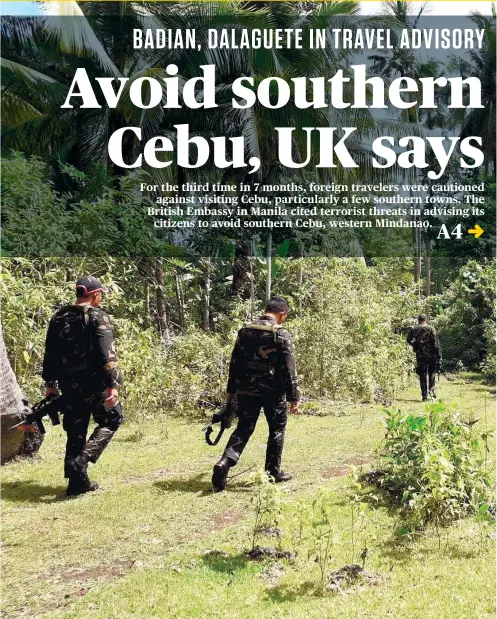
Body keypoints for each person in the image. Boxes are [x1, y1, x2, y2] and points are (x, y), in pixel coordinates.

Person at [42, 276, 123, 496]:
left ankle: (77, 483)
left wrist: (50, 384)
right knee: (113, 419)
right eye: (101, 294)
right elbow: (106, 354)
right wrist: (113, 384)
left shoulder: (59, 317)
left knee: (76, 431)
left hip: (69, 384)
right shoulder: (97, 316)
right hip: (94, 384)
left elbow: (50, 352)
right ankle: (81, 460)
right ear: (95, 294)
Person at [212, 296, 300, 492]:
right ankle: (272, 472)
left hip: (246, 390)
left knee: (243, 428)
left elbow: (234, 363)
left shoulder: (245, 331)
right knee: (276, 430)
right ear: (282, 314)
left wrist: (230, 392)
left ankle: (224, 462)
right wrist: (294, 396)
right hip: (273, 392)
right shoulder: (281, 334)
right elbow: (289, 368)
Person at [407, 314, 441, 402]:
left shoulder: (414, 329)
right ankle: (432, 391)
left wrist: (415, 345)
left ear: (419, 320)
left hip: (420, 355)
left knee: (422, 374)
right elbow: (436, 343)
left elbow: (408, 340)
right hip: (431, 355)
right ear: (426, 320)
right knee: (432, 373)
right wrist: (438, 355)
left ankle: (424, 396)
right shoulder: (431, 328)